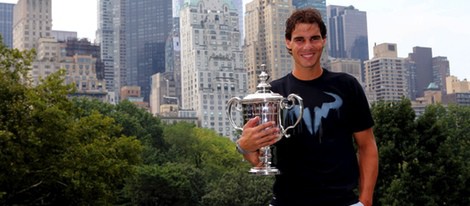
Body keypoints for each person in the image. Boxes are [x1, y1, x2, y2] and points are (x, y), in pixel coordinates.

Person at [236, 8, 378, 206]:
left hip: (342, 201)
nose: (308, 46)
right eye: (300, 39)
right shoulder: (273, 93)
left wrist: (365, 201)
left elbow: (367, 146)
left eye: (314, 38)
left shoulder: (346, 85)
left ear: (324, 40)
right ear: (288, 42)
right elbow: (256, 157)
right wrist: (244, 146)